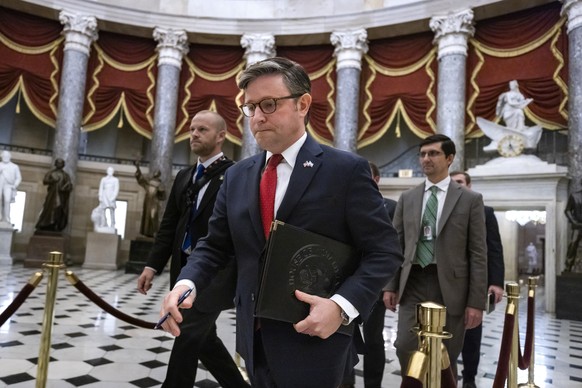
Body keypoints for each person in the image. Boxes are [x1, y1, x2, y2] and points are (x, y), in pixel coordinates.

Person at [158, 57, 404, 388]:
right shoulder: (236, 176)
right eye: (250, 108)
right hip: (252, 338)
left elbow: (385, 251)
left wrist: (342, 307)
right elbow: (215, 246)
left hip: (318, 338)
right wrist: (186, 283)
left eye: (269, 104)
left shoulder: (344, 171)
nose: (257, 117)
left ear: (303, 104)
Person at [137, 110, 248, 388]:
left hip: (217, 274)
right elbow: (169, 225)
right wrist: (152, 265)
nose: (194, 134)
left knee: (186, 334)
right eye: (191, 129)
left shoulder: (236, 175)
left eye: (202, 130)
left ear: (221, 136)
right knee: (204, 339)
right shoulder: (184, 176)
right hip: (184, 271)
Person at [384, 134, 487, 380]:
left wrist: (476, 302)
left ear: (449, 158)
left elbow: (478, 252)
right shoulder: (407, 198)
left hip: (451, 285)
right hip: (414, 281)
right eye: (422, 154)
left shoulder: (470, 200)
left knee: (446, 354)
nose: (426, 159)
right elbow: (395, 245)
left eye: (433, 153)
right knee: (405, 346)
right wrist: (390, 285)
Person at [450, 171, 505, 388]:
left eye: (461, 182)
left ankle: (470, 377)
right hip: (446, 283)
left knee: (472, 332)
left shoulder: (485, 212)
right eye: (453, 183)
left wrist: (496, 282)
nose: (458, 186)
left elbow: (494, 249)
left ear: (469, 185)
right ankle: (447, 374)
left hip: (475, 282)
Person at [36, 158, 73, 232]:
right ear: (55, 164)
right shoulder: (51, 173)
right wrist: (52, 180)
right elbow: (45, 181)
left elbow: (69, 185)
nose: (60, 164)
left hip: (61, 196)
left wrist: (67, 187)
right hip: (52, 195)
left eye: (61, 163)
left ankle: (56, 225)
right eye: (58, 163)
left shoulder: (66, 175)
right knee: (49, 209)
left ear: (63, 165)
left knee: (59, 209)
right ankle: (45, 224)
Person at [133, 161, 166, 237]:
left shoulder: (160, 184)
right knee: (147, 217)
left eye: (157, 172)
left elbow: (163, 197)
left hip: (154, 202)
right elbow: (140, 178)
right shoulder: (148, 182)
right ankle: (147, 233)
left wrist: (161, 191)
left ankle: (155, 233)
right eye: (155, 172)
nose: (155, 173)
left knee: (153, 216)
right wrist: (137, 167)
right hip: (147, 202)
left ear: (158, 175)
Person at [0, 150, 22, 225]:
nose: (5, 157)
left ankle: (7, 218)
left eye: (7, 156)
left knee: (7, 200)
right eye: (4, 156)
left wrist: (15, 185)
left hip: (8, 185)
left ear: (9, 157)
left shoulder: (14, 166)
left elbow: (18, 177)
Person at [565, 184, 582, 272]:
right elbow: (567, 210)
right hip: (577, 226)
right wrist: (574, 221)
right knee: (573, 244)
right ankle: (568, 266)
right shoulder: (574, 196)